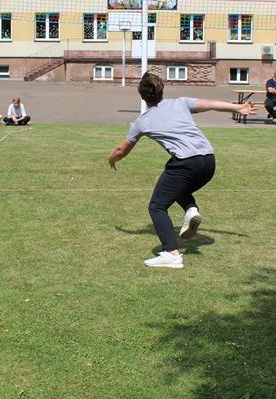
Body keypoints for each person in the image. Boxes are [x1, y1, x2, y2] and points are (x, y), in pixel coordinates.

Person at [107, 73, 257, 269]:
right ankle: (191, 210)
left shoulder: (142, 122)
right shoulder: (181, 103)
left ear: (142, 96)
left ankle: (171, 254)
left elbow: (122, 149)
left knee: (157, 206)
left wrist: (112, 159)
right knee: (176, 187)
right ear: (161, 91)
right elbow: (210, 103)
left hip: (186, 164)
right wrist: (238, 107)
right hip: (208, 161)